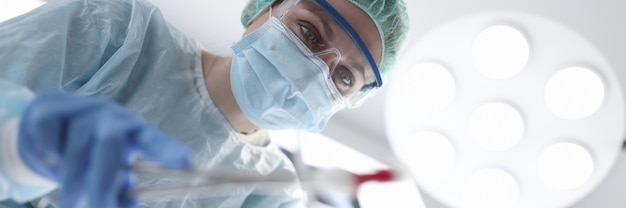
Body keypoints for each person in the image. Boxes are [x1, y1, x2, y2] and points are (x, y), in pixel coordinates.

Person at [0, 0, 410, 207]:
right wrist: (21, 149)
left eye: (343, 77)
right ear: (266, 10)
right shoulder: (116, 28)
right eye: (309, 32)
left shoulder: (271, 197)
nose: (313, 72)